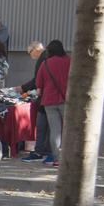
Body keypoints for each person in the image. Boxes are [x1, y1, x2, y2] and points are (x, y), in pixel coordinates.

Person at [34, 39, 70, 167]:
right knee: (68, 129)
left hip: (49, 101)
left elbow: (38, 85)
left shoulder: (46, 64)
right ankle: (69, 157)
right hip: (66, 100)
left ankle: (56, 158)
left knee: (55, 131)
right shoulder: (70, 61)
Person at [19, 41, 52, 162]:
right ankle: (43, 151)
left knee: (44, 125)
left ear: (36, 49)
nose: (30, 55)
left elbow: (37, 80)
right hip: (49, 96)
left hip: (46, 98)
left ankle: (44, 152)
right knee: (47, 126)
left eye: (30, 52)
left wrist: (22, 88)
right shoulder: (50, 58)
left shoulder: (43, 59)